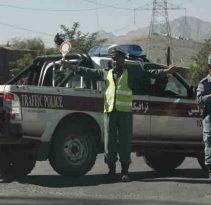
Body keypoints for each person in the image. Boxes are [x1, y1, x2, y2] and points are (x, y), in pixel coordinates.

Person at [62, 44, 182, 182]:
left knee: (124, 142)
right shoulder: (105, 73)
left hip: (124, 113)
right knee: (109, 142)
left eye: (118, 59)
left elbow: (150, 73)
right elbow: (88, 72)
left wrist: (167, 71)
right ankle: (111, 171)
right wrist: (70, 66)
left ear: (123, 60)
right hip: (110, 112)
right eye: (113, 59)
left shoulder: (131, 73)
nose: (115, 61)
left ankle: (125, 171)